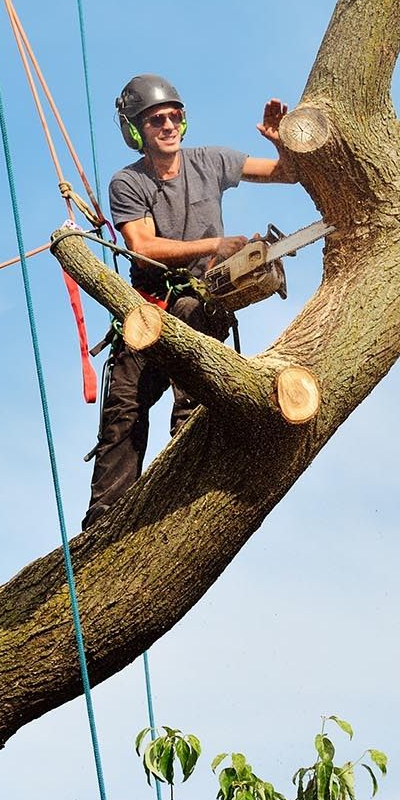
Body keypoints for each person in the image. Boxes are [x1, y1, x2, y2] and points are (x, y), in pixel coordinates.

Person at [84, 73, 296, 528]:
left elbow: (287, 174)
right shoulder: (129, 182)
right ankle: (104, 521)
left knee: (194, 399)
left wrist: (282, 144)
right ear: (136, 131)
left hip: (200, 306)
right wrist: (213, 246)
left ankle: (190, 492)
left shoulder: (213, 161)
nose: (167, 125)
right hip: (147, 312)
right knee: (123, 411)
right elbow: (142, 246)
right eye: (156, 119)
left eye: (174, 116)